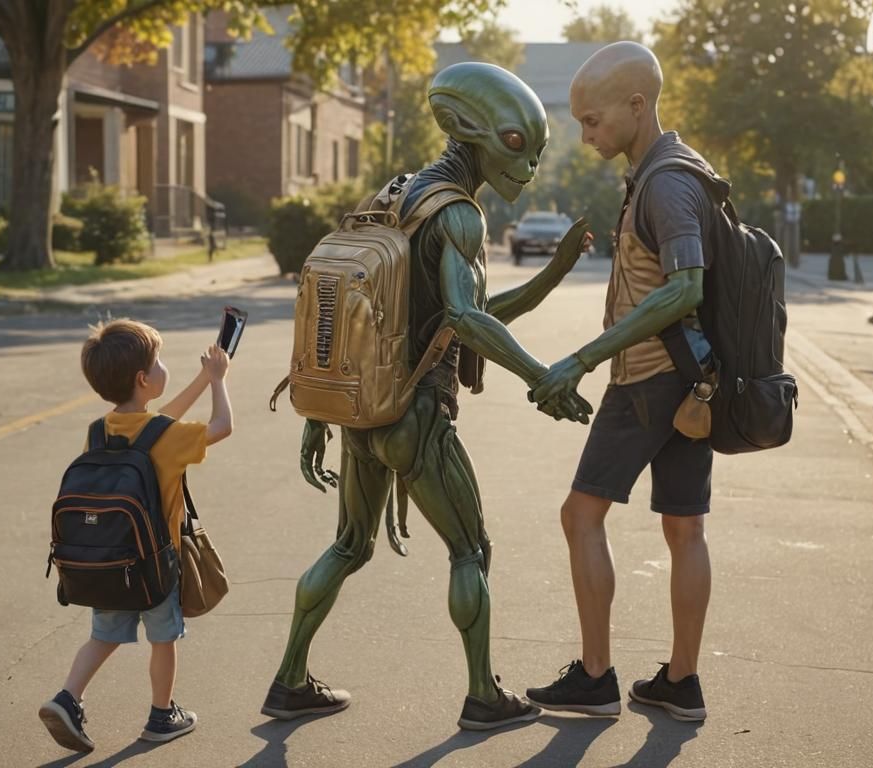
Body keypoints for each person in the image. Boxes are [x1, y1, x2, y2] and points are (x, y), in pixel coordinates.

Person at [261, 62, 593, 732]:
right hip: (416, 415)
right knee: (471, 550)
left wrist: (553, 272)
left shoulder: (394, 195)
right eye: (518, 147)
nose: (527, 169)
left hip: (363, 408)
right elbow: (467, 319)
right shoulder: (460, 216)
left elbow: (395, 310)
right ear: (474, 133)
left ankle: (289, 680)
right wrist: (542, 376)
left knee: (349, 546)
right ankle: (483, 697)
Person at [525, 41, 720, 723]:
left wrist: (582, 359)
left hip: (649, 378)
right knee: (685, 528)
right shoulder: (677, 170)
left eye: (592, 120)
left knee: (580, 515)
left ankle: (595, 678)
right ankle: (681, 683)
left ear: (637, 105)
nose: (586, 135)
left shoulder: (665, 183)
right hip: (695, 380)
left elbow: (685, 287)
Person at [39, 319, 233, 752]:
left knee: (103, 636)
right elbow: (221, 425)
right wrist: (219, 381)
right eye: (158, 361)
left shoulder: (99, 430)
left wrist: (203, 377)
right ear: (144, 379)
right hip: (155, 565)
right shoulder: (168, 437)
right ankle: (162, 716)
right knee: (164, 639)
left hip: (111, 561)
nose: (164, 367)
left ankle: (67, 698)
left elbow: (158, 424)